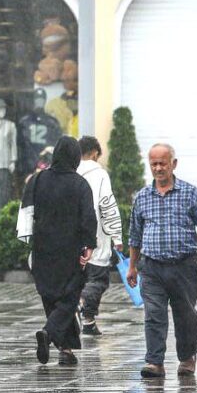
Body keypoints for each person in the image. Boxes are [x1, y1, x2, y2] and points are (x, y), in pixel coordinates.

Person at [127, 143, 197, 378]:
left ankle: (188, 357)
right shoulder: (142, 197)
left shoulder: (190, 193)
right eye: (154, 164)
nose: (158, 168)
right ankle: (154, 362)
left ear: (173, 164)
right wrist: (132, 267)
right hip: (151, 267)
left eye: (163, 163)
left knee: (185, 315)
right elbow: (135, 235)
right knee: (153, 314)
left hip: (183, 266)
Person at [24, 136, 97, 366]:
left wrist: (27, 243)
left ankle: (65, 350)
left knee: (49, 297)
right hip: (69, 251)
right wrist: (89, 246)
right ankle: (48, 333)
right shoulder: (80, 184)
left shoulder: (37, 180)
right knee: (69, 298)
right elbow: (88, 218)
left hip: (42, 249)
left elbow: (26, 213)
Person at [77, 136, 123, 336]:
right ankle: (83, 304)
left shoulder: (69, 171)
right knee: (98, 280)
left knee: (77, 279)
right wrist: (117, 236)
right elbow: (107, 205)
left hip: (72, 238)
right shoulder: (100, 174)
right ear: (95, 153)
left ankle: (88, 322)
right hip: (96, 236)